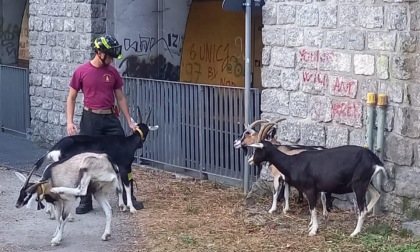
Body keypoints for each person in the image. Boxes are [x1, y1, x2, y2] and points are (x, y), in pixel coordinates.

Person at [66, 34, 143, 214]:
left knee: (124, 157)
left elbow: (121, 97)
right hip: (90, 119)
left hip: (110, 118)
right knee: (86, 159)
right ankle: (85, 201)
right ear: (99, 53)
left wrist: (130, 121)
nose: (112, 60)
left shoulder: (113, 72)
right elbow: (71, 97)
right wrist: (69, 122)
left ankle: (128, 197)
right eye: (109, 56)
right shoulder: (81, 71)